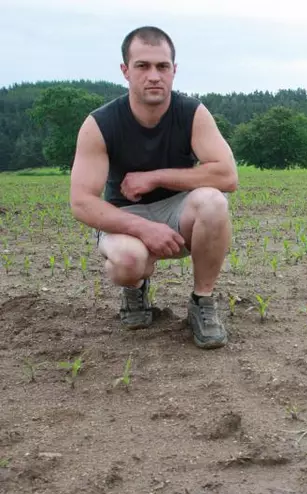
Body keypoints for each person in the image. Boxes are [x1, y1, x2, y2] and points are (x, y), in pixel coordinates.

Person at [69, 26, 238, 349]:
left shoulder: (192, 113)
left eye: (162, 67)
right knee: (130, 263)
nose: (154, 76)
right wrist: (144, 229)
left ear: (174, 71)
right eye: (142, 66)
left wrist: (156, 177)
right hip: (125, 215)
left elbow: (227, 176)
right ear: (125, 71)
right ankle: (134, 290)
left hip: (178, 210)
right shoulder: (100, 124)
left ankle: (202, 302)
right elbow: (81, 202)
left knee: (214, 202)